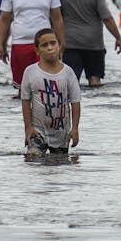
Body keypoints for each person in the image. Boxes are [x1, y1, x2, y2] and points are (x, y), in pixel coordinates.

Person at [0, 0, 65, 96]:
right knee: (24, 91)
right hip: (20, 44)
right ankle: (23, 117)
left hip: (45, 45)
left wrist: (62, 42)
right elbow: (4, 20)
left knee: (46, 87)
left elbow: (57, 18)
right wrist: (0, 45)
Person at [57, 0, 121, 87]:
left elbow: (55, 18)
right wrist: (118, 38)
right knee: (94, 81)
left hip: (70, 44)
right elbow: (107, 19)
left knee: (70, 83)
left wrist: (57, 39)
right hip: (94, 45)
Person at [19, 27, 80, 155]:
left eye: (53, 43)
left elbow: (75, 102)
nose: (50, 48)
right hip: (38, 131)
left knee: (60, 164)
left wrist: (75, 129)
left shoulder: (68, 72)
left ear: (59, 45)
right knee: (33, 157)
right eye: (44, 45)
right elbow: (25, 102)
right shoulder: (30, 72)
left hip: (61, 134)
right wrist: (28, 128)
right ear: (37, 50)